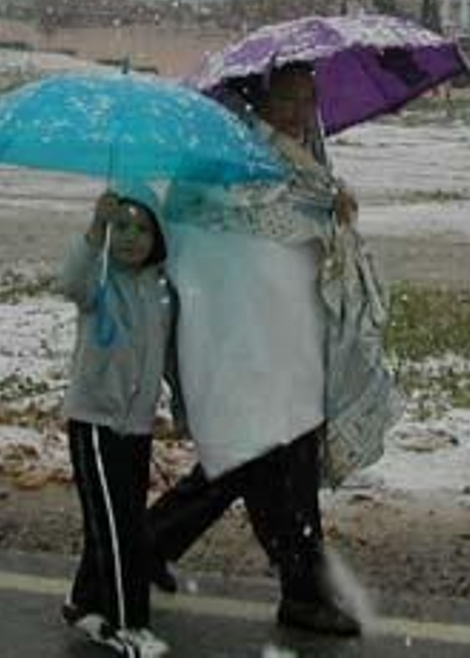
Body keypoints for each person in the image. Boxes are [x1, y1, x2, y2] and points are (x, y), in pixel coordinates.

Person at [150, 62, 393, 638]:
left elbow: (312, 230)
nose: (298, 109)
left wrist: (335, 211)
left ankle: (140, 547)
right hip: (247, 339)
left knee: (249, 460)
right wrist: (318, 213)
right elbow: (218, 226)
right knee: (265, 459)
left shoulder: (307, 160)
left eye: (308, 97)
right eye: (286, 97)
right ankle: (302, 592)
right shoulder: (227, 157)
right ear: (259, 98)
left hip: (292, 342)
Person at [60, 186, 174, 658]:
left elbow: (170, 359)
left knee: (117, 519)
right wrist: (94, 231)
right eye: (121, 226)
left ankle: (83, 600)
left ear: (158, 238)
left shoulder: (161, 290)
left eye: (143, 229)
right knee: (117, 528)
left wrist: (182, 411)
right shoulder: (99, 278)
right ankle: (129, 624)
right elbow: (70, 283)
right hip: (94, 421)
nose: (130, 238)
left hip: (137, 426)